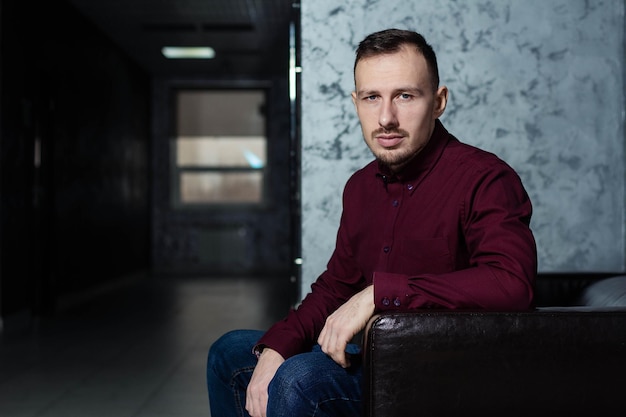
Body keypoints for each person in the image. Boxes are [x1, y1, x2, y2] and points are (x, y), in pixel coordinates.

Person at [206, 28, 537, 417]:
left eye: (405, 96)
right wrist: (277, 346)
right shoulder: (360, 187)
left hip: (441, 369)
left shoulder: (485, 177)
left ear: (439, 102)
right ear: (355, 102)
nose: (386, 118)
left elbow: (512, 284)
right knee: (230, 353)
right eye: (372, 97)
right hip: (370, 355)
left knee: (300, 378)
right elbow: (335, 287)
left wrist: (378, 294)